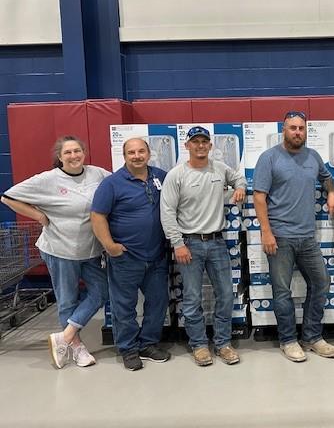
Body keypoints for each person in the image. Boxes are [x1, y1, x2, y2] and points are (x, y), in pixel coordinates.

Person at [1, 136, 109, 369]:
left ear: (84, 152)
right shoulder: (48, 180)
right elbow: (7, 196)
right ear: (59, 157)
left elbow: (118, 186)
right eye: (67, 152)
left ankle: (65, 336)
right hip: (60, 249)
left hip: (91, 249)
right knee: (67, 299)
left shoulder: (98, 174)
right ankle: (77, 347)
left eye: (77, 151)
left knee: (102, 292)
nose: (73, 156)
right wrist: (38, 215)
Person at [253, 111, 334, 362]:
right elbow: (259, 197)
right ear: (284, 130)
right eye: (292, 128)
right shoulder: (269, 158)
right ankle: (288, 340)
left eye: (301, 128)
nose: (297, 132)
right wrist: (266, 232)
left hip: (307, 237)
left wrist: (332, 193)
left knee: (321, 282)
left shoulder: (313, 156)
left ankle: (312, 336)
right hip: (279, 238)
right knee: (282, 291)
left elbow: (327, 178)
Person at [160, 126, 247, 367]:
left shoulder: (219, 169)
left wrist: (240, 186)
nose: (200, 145)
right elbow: (167, 212)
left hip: (217, 242)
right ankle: (199, 345)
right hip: (189, 244)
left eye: (204, 142)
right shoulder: (176, 175)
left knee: (226, 296)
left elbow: (239, 177)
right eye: (195, 142)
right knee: (191, 298)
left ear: (210, 146)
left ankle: (223, 343)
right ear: (187, 146)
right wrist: (178, 244)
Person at [91, 138, 171, 371]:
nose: (137, 156)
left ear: (149, 153)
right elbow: (97, 217)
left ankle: (148, 344)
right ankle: (128, 348)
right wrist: (110, 246)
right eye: (131, 152)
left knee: (158, 302)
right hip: (125, 258)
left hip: (156, 255)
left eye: (141, 151)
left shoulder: (161, 177)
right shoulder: (112, 184)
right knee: (124, 306)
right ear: (124, 156)